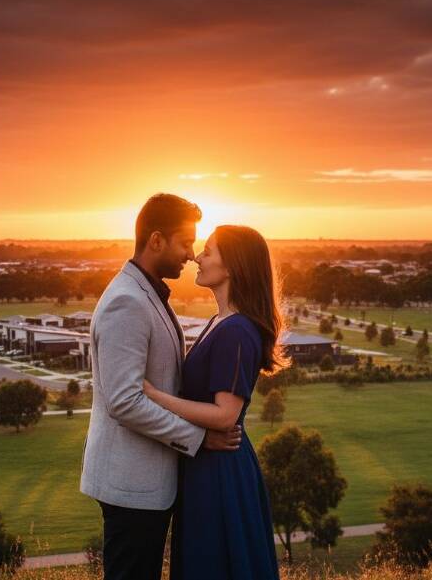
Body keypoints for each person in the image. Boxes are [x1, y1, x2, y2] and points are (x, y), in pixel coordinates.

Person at [80, 194, 242, 580]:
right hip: (131, 484)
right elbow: (125, 401)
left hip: (148, 483)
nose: (190, 254)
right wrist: (200, 438)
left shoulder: (147, 293)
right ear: (156, 240)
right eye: (184, 242)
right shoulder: (127, 302)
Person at [143, 225, 286, 580]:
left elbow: (225, 415)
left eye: (208, 251)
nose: (197, 257)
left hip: (221, 471)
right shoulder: (219, 322)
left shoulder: (237, 331)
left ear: (233, 265)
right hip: (204, 463)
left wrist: (154, 396)